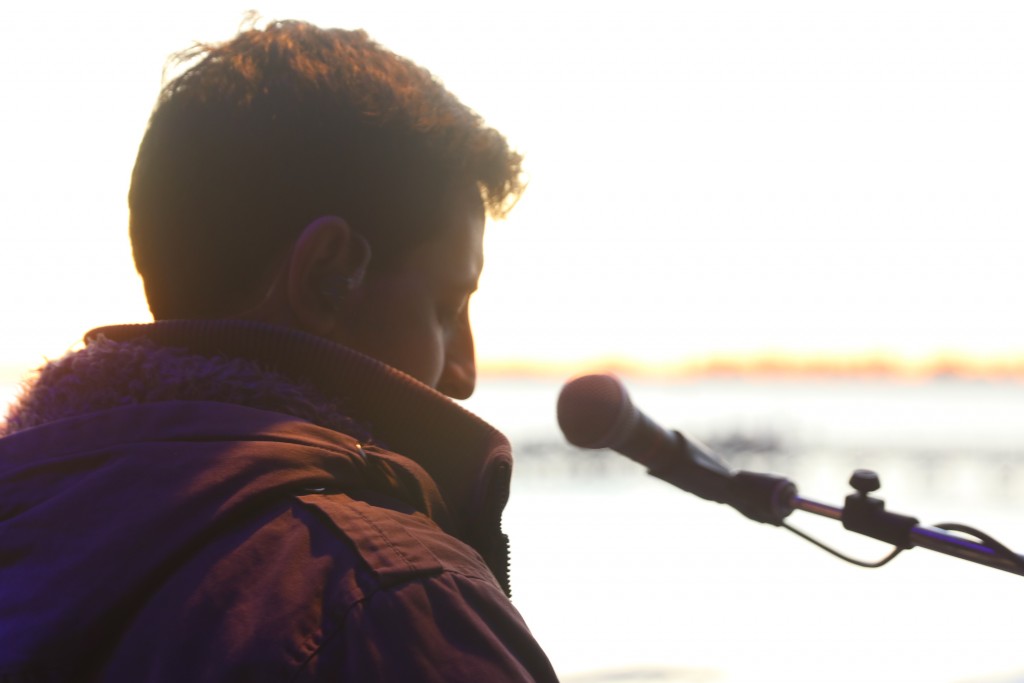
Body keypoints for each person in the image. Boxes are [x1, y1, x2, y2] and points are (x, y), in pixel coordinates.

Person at [0, 20, 558, 682]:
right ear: (327, 275)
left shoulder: (32, 524)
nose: (464, 372)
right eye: (445, 307)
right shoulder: (393, 603)